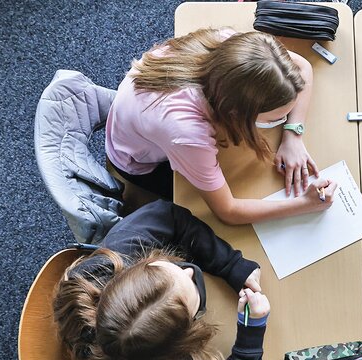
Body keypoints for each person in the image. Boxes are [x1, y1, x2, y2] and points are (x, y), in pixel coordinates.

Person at [53, 200, 269, 360]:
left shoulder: (114, 257)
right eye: (191, 295)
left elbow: (168, 215)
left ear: (134, 270)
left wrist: (230, 264)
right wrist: (252, 329)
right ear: (187, 339)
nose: (189, 272)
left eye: (171, 270)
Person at [106, 28, 337, 224]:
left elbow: (303, 67)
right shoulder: (188, 133)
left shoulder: (231, 45)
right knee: (199, 209)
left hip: (146, 115)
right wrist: (303, 204)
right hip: (138, 160)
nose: (280, 122)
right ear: (237, 115)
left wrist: (293, 134)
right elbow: (227, 211)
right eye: (273, 120)